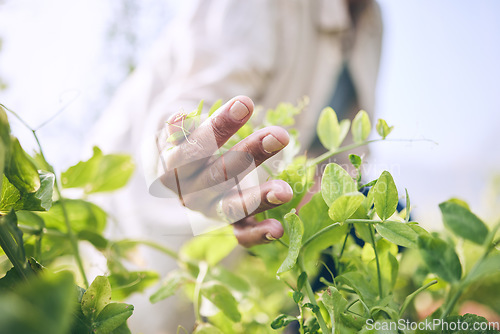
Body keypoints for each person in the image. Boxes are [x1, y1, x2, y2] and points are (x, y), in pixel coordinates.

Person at [90, 0, 383, 332]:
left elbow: (348, 151)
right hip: (136, 199)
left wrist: (321, 191)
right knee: (130, 313)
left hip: (242, 222)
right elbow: (192, 100)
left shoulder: (372, 24)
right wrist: (185, 150)